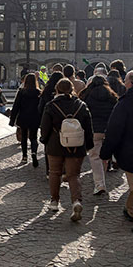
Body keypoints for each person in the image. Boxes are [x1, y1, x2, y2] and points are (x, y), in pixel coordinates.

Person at [40, 78, 94, 221]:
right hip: (76, 145)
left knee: (54, 172)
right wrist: (88, 145)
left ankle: (54, 201)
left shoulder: (51, 106)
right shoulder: (81, 105)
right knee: (74, 175)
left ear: (57, 90)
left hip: (55, 145)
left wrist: (44, 140)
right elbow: (88, 128)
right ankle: (76, 201)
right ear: (72, 89)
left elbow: (45, 127)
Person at [100, 70, 133, 224]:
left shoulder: (125, 103)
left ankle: (130, 211)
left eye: (125, 80)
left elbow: (114, 129)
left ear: (130, 83)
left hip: (129, 152)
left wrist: (106, 153)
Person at [79, 75, 118, 195]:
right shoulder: (112, 97)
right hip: (108, 130)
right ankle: (102, 180)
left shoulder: (87, 96)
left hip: (94, 130)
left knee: (95, 157)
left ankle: (99, 184)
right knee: (104, 157)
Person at [10, 73, 41, 166]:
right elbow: (41, 107)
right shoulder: (38, 92)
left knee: (24, 137)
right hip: (35, 118)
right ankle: (34, 153)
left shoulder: (21, 92)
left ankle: (24, 157)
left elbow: (16, 106)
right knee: (33, 137)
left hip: (23, 117)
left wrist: (12, 120)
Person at [38, 71, 64, 178]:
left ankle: (49, 170)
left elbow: (40, 108)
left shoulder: (46, 92)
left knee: (48, 147)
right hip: (62, 123)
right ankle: (63, 170)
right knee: (64, 145)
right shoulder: (66, 92)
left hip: (48, 122)